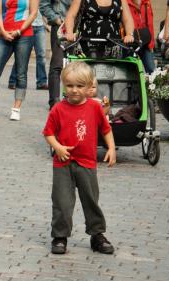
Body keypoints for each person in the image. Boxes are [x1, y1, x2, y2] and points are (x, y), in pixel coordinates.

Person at [43, 61, 116, 255]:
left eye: (79, 86)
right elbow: (48, 133)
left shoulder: (94, 107)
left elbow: (106, 129)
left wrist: (111, 148)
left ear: (89, 87)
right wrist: (57, 147)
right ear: (64, 85)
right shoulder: (58, 109)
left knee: (91, 200)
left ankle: (97, 235)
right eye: (69, 86)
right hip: (63, 164)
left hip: (86, 162)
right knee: (62, 202)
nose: (74, 90)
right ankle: (60, 236)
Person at [63, 0, 134, 58]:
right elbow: (71, 15)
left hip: (113, 46)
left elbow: (128, 19)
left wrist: (129, 34)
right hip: (86, 45)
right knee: (87, 73)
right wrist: (69, 32)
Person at [39, 0, 71, 109]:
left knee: (78, 65)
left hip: (80, 27)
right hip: (60, 26)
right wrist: (57, 19)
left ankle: (74, 100)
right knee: (57, 64)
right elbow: (44, 4)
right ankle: (54, 101)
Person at [8, 10, 48, 90]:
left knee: (41, 55)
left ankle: (41, 82)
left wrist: (46, 23)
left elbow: (44, 7)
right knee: (22, 55)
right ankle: (13, 81)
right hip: (26, 26)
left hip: (40, 26)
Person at [127, 0, 154, 73]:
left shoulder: (146, 3)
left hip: (146, 42)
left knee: (151, 69)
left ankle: (151, 84)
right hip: (130, 42)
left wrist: (151, 44)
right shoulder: (125, 3)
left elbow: (150, 24)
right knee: (131, 70)